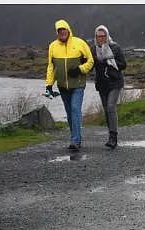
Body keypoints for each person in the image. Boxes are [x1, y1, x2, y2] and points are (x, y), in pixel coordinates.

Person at [45, 19, 94, 150]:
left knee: (75, 110)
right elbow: (51, 67)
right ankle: (75, 137)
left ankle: (75, 141)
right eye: (59, 31)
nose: (62, 32)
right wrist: (49, 85)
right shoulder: (53, 46)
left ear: (68, 30)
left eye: (63, 30)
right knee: (69, 113)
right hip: (62, 87)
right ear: (57, 32)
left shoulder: (80, 43)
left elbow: (90, 61)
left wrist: (79, 69)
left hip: (77, 85)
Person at [90, 25, 127, 149]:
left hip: (115, 82)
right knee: (106, 110)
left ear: (107, 35)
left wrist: (109, 62)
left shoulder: (115, 47)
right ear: (96, 37)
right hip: (102, 84)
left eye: (103, 36)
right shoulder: (93, 50)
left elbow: (123, 65)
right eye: (98, 36)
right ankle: (111, 134)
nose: (101, 38)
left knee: (111, 107)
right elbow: (90, 65)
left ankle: (113, 137)